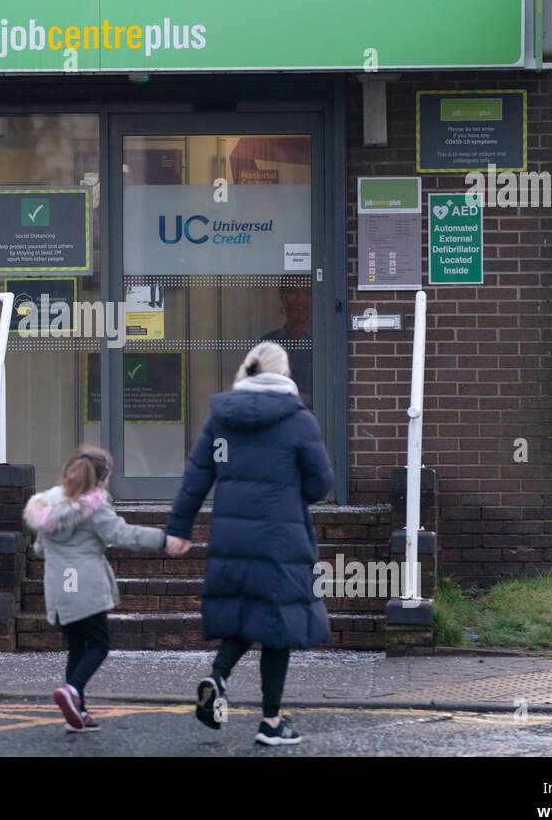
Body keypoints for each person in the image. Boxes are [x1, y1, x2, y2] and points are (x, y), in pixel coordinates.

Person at [167, 341, 333, 747]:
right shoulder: (298, 420)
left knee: (245, 614)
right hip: (280, 539)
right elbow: (321, 484)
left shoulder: (221, 419)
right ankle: (272, 722)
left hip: (231, 536)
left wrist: (179, 529)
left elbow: (196, 478)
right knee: (277, 627)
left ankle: (217, 677)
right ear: (285, 373)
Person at [24, 445, 189, 733]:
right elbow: (123, 534)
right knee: (99, 645)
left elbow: (39, 547)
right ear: (101, 479)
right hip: (86, 587)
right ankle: (73, 691)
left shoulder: (49, 506)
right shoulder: (94, 507)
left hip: (59, 588)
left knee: (77, 647)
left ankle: (78, 711)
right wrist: (164, 540)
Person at [261, 281, 313, 408]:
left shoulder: (323, 343)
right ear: (282, 298)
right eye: (292, 292)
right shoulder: (268, 342)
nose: (299, 300)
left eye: (307, 293)